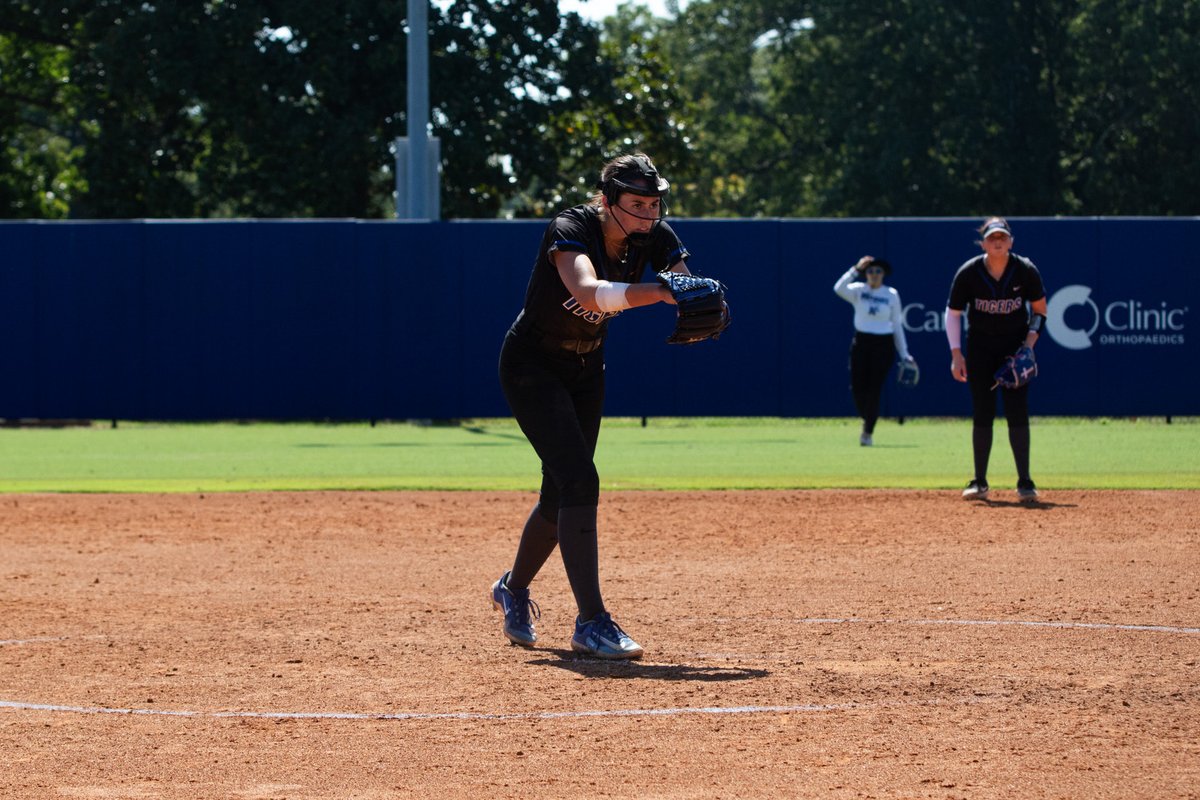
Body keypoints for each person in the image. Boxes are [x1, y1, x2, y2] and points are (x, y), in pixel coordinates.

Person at [490, 153, 690, 660]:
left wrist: (697, 297)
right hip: (531, 364)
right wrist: (664, 290)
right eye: (635, 203)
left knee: (561, 494)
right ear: (607, 201)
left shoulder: (656, 235)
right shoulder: (572, 226)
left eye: (653, 203)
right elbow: (588, 291)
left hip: (586, 370)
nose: (647, 214)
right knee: (581, 480)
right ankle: (592, 622)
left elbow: (684, 283)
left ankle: (512, 589)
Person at [945, 217, 1048, 502]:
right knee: (983, 412)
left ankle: (1025, 482)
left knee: (1017, 412)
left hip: (1013, 349)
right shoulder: (969, 272)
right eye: (992, 237)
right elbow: (953, 313)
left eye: (1002, 236)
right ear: (984, 243)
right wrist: (956, 354)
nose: (998, 241)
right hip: (980, 349)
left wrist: (1028, 346)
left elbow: (1040, 311)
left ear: (1011, 241)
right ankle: (979, 481)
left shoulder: (1024, 270)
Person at [833, 255, 915, 446]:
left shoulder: (891, 294)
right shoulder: (859, 291)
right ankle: (867, 417)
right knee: (858, 388)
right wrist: (855, 269)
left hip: (883, 345)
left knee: (874, 389)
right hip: (861, 343)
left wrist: (904, 354)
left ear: (884, 274)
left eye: (878, 271)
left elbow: (897, 325)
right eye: (870, 271)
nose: (874, 274)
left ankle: (868, 431)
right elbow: (838, 288)